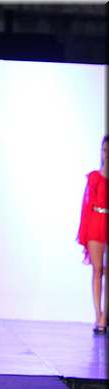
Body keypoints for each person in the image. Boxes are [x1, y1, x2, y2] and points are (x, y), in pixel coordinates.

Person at [77, 135, 108, 334]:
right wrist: (85, 233)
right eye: (104, 150)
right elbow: (86, 207)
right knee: (97, 271)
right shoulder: (94, 177)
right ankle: (98, 315)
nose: (107, 154)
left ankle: (105, 317)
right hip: (96, 224)